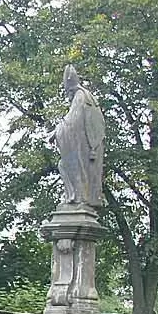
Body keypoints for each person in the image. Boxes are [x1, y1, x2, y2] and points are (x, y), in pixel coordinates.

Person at [49, 65, 105, 207]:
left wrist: (57, 131)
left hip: (82, 149)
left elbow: (72, 121)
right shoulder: (87, 96)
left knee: (65, 165)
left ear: (70, 89)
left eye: (67, 91)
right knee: (64, 165)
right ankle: (79, 198)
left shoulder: (80, 97)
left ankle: (78, 198)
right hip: (84, 146)